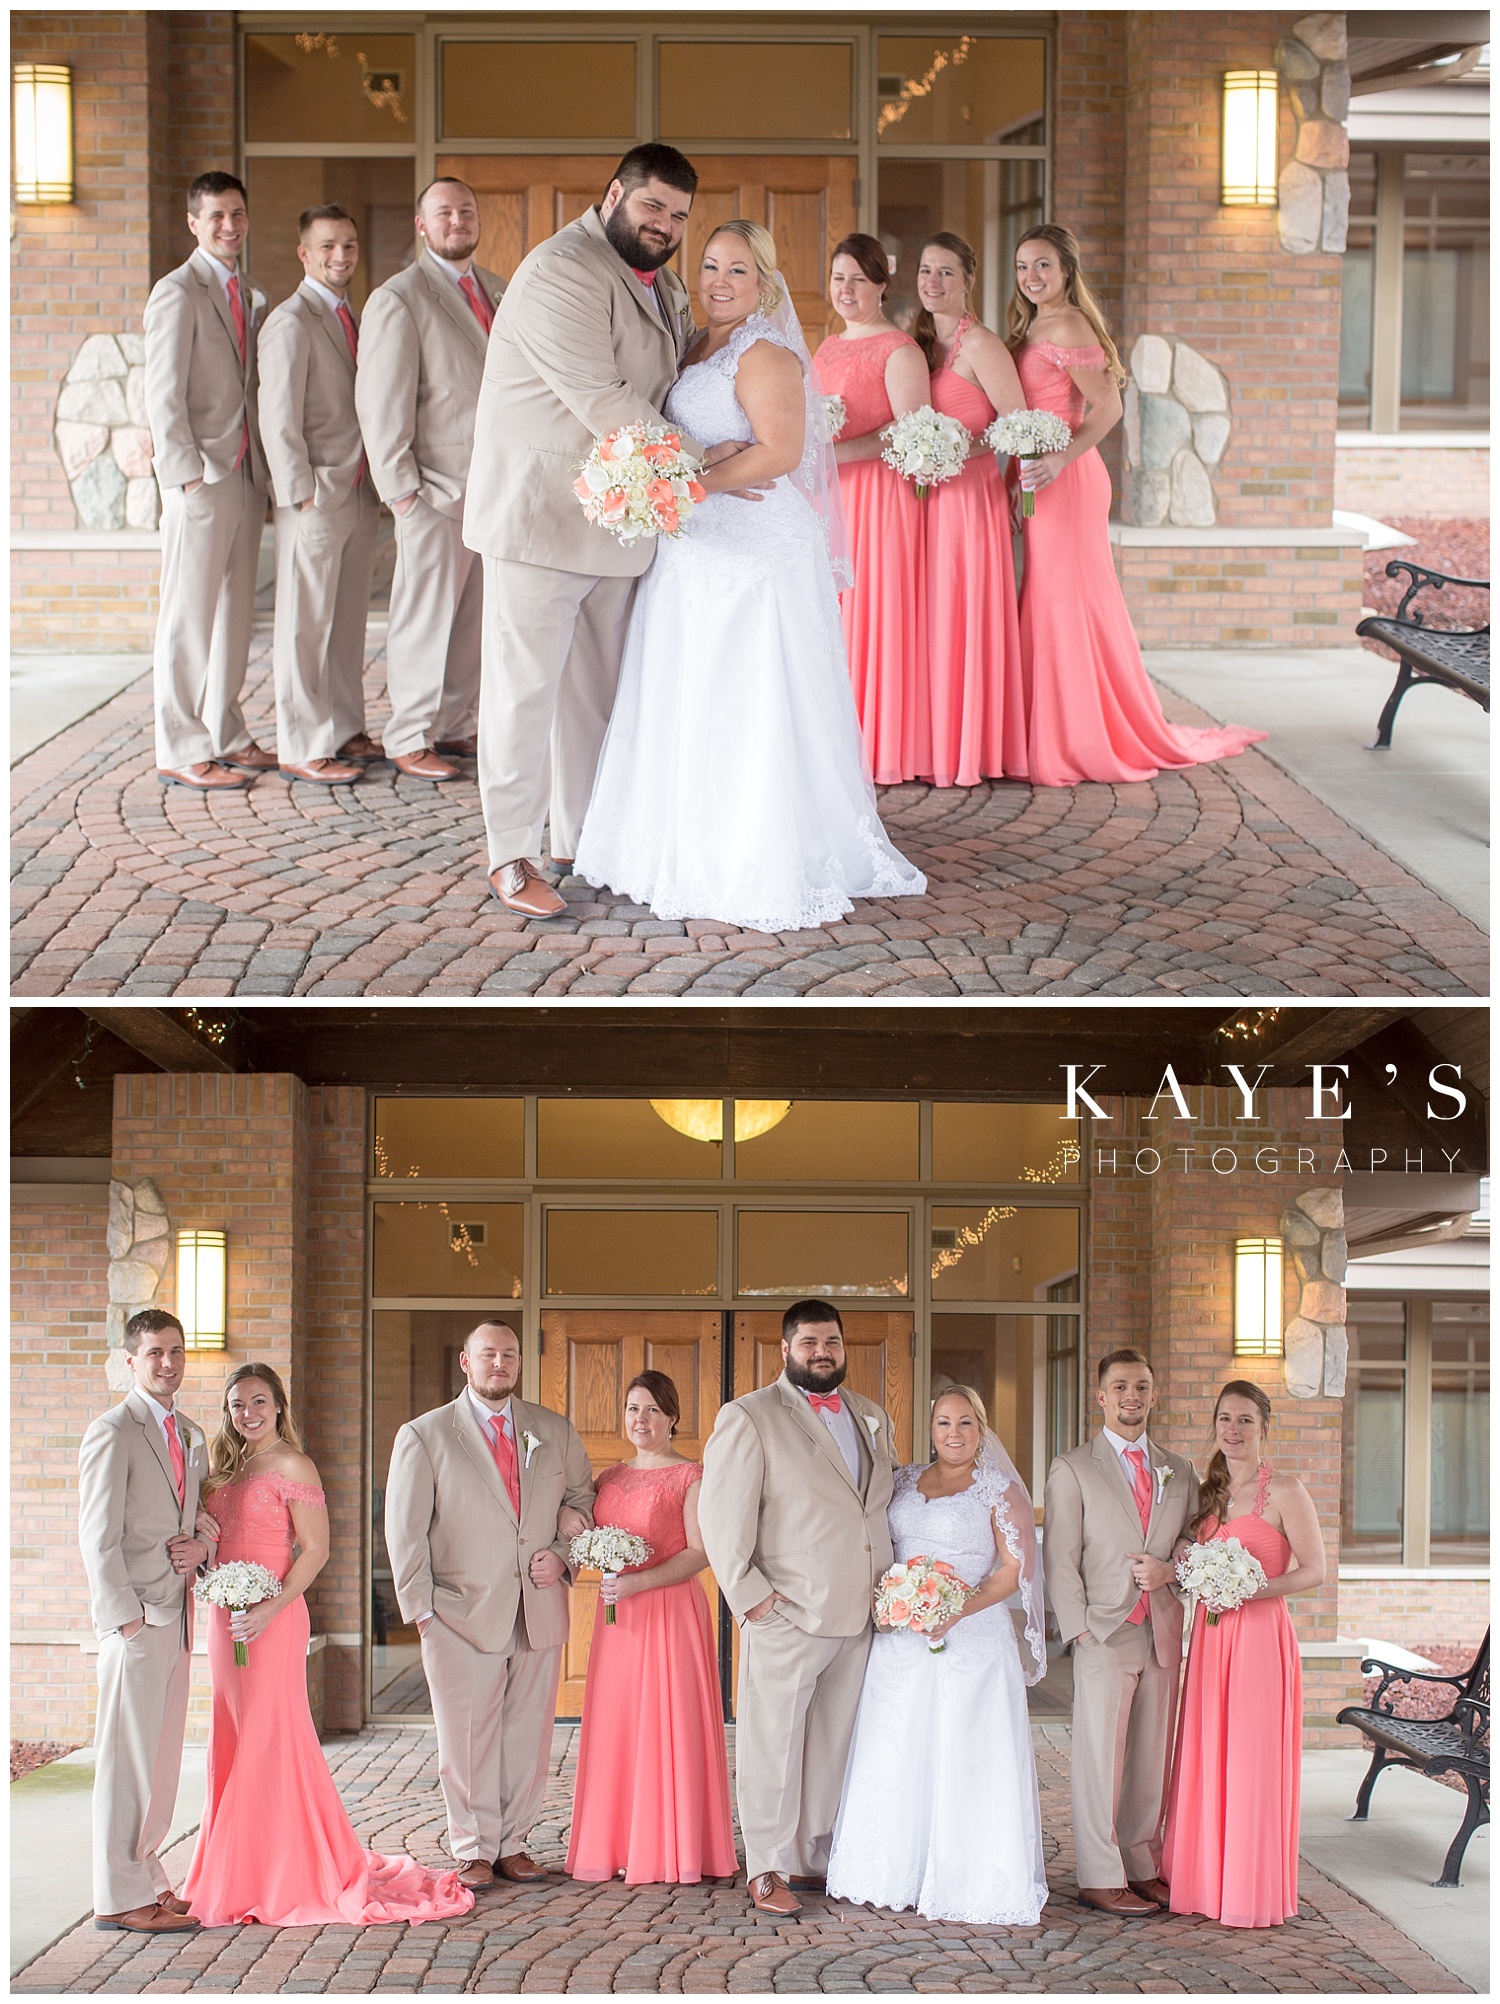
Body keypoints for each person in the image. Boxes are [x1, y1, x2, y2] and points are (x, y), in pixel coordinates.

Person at [571, 220, 927, 933]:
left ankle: (756, 851)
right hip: (696, 548)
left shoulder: (763, 351)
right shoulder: (694, 343)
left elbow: (782, 453)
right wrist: (687, 472)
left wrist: (686, 489)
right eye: (709, 267)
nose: (719, 282)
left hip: (754, 552)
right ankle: (681, 839)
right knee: (689, 688)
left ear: (763, 282)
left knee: (744, 694)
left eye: (738, 271)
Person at [464, 144, 726, 918]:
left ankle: (581, 841)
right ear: (614, 194)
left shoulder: (664, 284)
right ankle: (508, 855)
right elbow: (605, 399)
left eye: (679, 215)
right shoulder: (559, 271)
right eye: (653, 208)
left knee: (593, 697)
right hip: (541, 518)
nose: (666, 226)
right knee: (523, 694)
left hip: (620, 521)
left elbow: (673, 378)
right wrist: (710, 462)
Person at [183, 1363, 473, 1926]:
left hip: (274, 1614)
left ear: (279, 1406)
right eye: (238, 1404)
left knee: (272, 1734)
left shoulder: (295, 1464)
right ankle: (237, 1864)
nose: (249, 1414)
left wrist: (268, 1608)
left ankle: (283, 1868)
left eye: (260, 1402)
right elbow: (209, 1542)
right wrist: (202, 1530)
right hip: (225, 1616)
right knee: (233, 1733)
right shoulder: (220, 1472)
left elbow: (314, 1551)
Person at [1009, 224, 1265, 784]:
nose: (1031, 277)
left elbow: (1108, 409)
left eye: (1043, 265)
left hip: (1068, 478)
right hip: (1040, 473)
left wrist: (1059, 461)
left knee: (1063, 601)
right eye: (1023, 266)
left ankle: (1077, 736)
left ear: (1067, 272)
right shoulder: (1034, 327)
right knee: (1051, 598)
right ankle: (1057, 726)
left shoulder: (1069, 324)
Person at [698, 1300, 898, 1918]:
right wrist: (752, 1598)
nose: (822, 1352)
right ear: (786, 1349)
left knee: (835, 1742)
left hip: (863, 1614)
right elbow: (720, 1515)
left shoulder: (870, 1415)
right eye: (809, 1341)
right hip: (788, 1612)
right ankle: (766, 1865)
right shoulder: (749, 1416)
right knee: (773, 1745)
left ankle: (814, 1858)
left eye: (832, 1341)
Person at [383, 1321, 595, 1890]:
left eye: (509, 1354)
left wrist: (563, 1556)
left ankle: (513, 1844)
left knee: (527, 1733)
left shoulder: (553, 1430)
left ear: (520, 1362)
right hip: (457, 1614)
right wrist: (422, 1612)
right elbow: (404, 1532)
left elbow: (581, 1500)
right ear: (465, 1363)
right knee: (467, 1735)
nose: (499, 1362)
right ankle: (473, 1846)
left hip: (539, 1605)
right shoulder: (425, 1435)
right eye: (488, 1354)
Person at [827, 1386, 1049, 1925]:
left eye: (966, 1423)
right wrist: (897, 1601)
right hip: (902, 1640)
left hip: (970, 1639)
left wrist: (958, 1609)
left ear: (982, 1428)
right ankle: (889, 1869)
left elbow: (1013, 1570)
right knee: (898, 1745)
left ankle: (968, 1876)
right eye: (945, 1422)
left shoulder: (998, 1490)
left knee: (964, 1752)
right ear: (930, 1428)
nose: (955, 1433)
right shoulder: (902, 1480)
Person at [356, 178, 504, 780]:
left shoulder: (496, 288)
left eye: (466, 211)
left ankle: (454, 725)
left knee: (473, 617)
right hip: (433, 489)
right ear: (422, 225)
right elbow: (380, 401)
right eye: (443, 212)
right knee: (423, 616)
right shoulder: (399, 297)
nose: (457, 220)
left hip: (494, 489)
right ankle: (408, 732)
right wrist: (401, 492)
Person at [1042, 1347, 1198, 1917]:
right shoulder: (1073, 1466)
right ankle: (1099, 1874)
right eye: (1120, 1386)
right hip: (1103, 1632)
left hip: (1161, 1629)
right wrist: (1080, 1630)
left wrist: (1172, 1568)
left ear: (1154, 1394)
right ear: (1101, 1395)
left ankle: (1141, 1863)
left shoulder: (1180, 1469)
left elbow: (1194, 1543)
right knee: (1100, 1758)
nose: (1131, 1396)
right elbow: (1059, 1557)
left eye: (1142, 1386)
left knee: (1150, 1756)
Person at [1163, 1380, 1324, 1928]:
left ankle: (1249, 1890)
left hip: (1258, 1638)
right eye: (1225, 1419)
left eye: (1246, 1420)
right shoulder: (1204, 1491)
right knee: (1208, 1751)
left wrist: (1250, 1588)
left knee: (1251, 1760)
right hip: (1210, 1640)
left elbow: (1314, 1570)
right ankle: (1204, 1882)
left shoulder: (1285, 1491)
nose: (1234, 1430)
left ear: (1264, 1428)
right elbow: (1186, 1564)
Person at [566, 1371, 737, 1886]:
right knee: (619, 1724)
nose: (642, 1420)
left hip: (668, 1613)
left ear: (673, 1419)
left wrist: (641, 1585)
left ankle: (673, 1847)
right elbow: (586, 1525)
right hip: (617, 1620)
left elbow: (700, 1553)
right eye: (634, 1409)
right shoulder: (610, 1477)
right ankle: (616, 1841)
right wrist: (571, 1526)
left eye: (653, 1411)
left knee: (669, 1722)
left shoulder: (692, 1476)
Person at [77, 1310, 212, 1934]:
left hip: (178, 1616)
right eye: (155, 1352)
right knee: (127, 1764)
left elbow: (202, 1517)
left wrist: (201, 1546)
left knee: (159, 1762)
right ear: (130, 1359)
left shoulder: (189, 1432)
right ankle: (117, 1899)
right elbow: (96, 1538)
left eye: (177, 1352)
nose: (168, 1363)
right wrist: (123, 1621)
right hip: (137, 1623)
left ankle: (150, 1881)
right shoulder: (113, 1430)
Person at [143, 172, 273, 791]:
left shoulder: (247, 292)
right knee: (188, 616)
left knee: (234, 616)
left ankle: (226, 729)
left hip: (245, 473)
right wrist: (185, 477)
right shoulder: (177, 291)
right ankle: (178, 743)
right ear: (193, 222)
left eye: (237, 214)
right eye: (216, 216)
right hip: (201, 477)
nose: (229, 225)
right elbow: (161, 395)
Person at [257, 204, 384, 786]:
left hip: (358, 489)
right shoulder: (290, 320)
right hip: (317, 493)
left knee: (347, 618)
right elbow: (277, 418)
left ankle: (344, 727)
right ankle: (301, 743)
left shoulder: (349, 315)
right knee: (305, 623)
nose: (341, 257)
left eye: (349, 246)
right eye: (328, 246)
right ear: (305, 253)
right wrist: (299, 494)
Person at [811, 234, 932, 782]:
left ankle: (877, 744)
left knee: (870, 612)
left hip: (878, 499)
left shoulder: (899, 350)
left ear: (882, 285)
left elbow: (911, 433)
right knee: (831, 616)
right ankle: (831, 739)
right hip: (828, 496)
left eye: (859, 279)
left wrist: (836, 451)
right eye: (839, 278)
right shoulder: (828, 346)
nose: (847, 289)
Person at [913, 233, 1027, 789]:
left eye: (946, 273)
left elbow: (1016, 424)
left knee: (961, 613)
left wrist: (955, 450)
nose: (933, 282)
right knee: (927, 618)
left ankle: (968, 745)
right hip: (921, 502)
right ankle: (928, 739)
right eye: (926, 271)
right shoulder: (917, 343)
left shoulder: (981, 346)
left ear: (968, 281)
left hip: (968, 498)